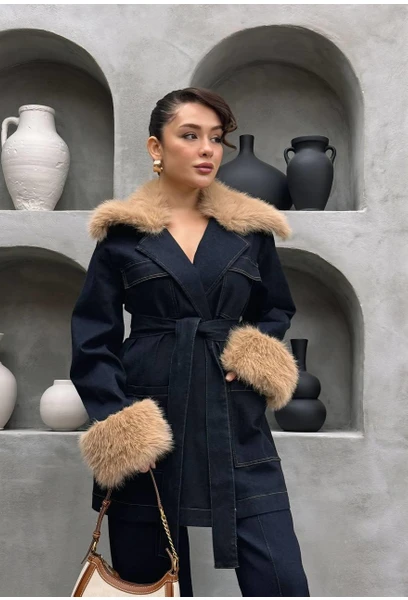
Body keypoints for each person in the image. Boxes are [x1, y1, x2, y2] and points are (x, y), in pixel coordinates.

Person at [70, 87, 310, 597]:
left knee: (279, 576)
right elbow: (93, 337)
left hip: (232, 411)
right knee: (150, 578)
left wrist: (253, 355)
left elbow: (275, 309)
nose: (207, 149)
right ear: (156, 148)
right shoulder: (122, 236)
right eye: (190, 135)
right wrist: (121, 422)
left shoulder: (250, 232)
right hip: (150, 416)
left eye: (216, 138)